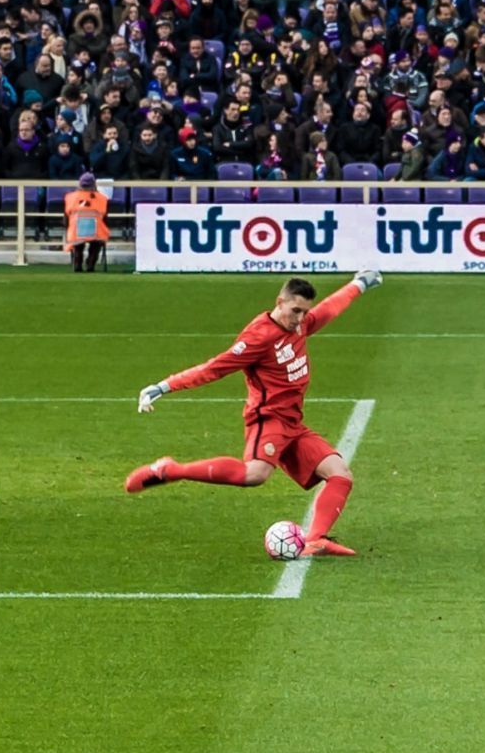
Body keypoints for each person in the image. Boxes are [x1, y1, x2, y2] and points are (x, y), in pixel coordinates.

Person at [125, 272, 384, 557]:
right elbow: (215, 367)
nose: (300, 318)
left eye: (304, 312)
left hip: (293, 423)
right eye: (295, 310)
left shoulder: (300, 326)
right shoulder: (258, 337)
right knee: (255, 474)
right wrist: (164, 386)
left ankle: (315, 540)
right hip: (268, 419)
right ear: (280, 302)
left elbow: (329, 308)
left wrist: (359, 284)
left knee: (340, 474)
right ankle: (171, 470)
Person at [64, 171, 110, 272]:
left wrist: (67, 229)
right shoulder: (102, 198)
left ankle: (77, 263)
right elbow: (106, 218)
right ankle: (90, 263)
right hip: (97, 231)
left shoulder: (70, 197)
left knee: (78, 244)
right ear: (94, 184)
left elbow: (66, 216)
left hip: (76, 232)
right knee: (96, 244)